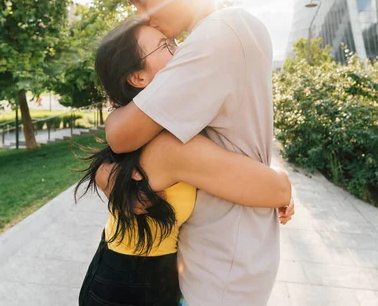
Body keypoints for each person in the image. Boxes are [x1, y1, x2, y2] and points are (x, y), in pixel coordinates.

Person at [98, 0, 295, 306]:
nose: (144, 14)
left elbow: (122, 135)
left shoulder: (218, 35)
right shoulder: (233, 29)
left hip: (218, 276)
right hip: (227, 262)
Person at [77, 18, 292, 306]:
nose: (180, 52)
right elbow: (275, 189)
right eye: (166, 46)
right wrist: (285, 186)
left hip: (148, 273)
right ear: (138, 78)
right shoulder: (171, 147)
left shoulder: (158, 130)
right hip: (128, 285)